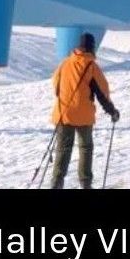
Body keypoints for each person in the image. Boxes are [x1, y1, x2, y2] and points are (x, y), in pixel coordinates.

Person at [49, 32, 119, 189]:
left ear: (78, 47)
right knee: (85, 148)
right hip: (83, 115)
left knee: (63, 149)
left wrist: (65, 101)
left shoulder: (65, 63)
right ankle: (85, 184)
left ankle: (56, 183)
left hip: (63, 113)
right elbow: (102, 93)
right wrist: (112, 111)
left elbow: (56, 85)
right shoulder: (91, 66)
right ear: (92, 47)